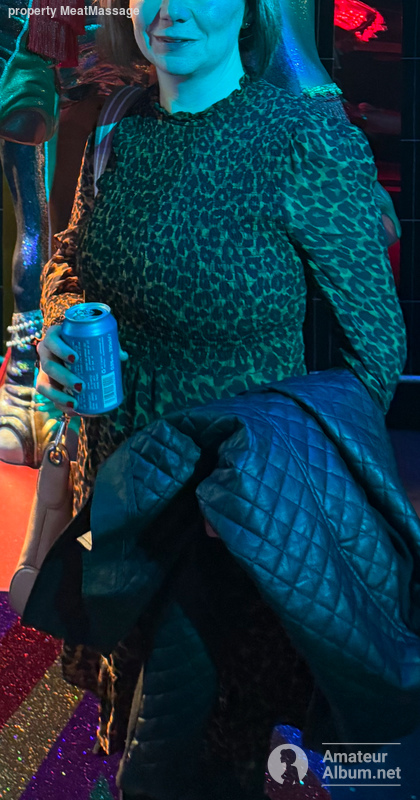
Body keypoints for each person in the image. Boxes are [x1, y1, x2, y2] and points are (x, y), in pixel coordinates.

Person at [35, 0, 407, 797]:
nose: (173, 11)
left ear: (247, 9)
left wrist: (268, 477)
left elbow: (376, 347)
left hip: (227, 521)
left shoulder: (299, 136)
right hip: (122, 500)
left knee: (180, 761)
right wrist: (60, 322)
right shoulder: (120, 124)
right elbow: (70, 256)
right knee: (140, 717)